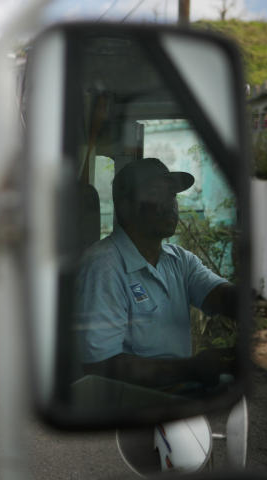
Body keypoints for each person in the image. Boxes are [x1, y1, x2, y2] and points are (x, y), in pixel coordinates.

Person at [75, 158, 237, 392]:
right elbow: (100, 366)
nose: (171, 205)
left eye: (172, 195)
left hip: (178, 391)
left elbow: (219, 295)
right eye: (156, 194)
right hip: (134, 405)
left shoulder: (180, 260)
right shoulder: (103, 266)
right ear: (125, 206)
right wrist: (191, 368)